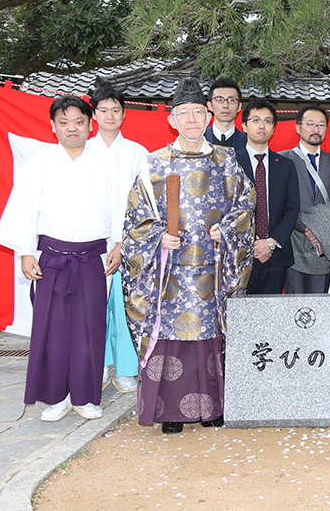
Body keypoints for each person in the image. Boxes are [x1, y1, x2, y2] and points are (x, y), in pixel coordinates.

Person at [122, 78, 254, 434]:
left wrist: (225, 231)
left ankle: (212, 407)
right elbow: (135, 218)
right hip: (169, 271)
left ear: (208, 116)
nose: (192, 119)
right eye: (184, 113)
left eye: (198, 112)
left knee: (209, 337)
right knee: (171, 337)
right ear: (172, 119)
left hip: (213, 267)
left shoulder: (226, 161)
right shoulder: (154, 165)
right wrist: (156, 237)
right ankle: (170, 412)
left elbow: (246, 206)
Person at [0, 96, 118, 421]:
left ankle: (85, 396)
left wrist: (119, 244)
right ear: (53, 126)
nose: (72, 128)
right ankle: (56, 398)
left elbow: (121, 210)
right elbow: (23, 209)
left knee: (90, 329)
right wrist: (24, 251)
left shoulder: (105, 164)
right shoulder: (39, 164)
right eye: (64, 122)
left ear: (90, 124)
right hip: (51, 259)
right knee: (53, 329)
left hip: (93, 258)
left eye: (78, 121)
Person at [87, 85, 149, 394]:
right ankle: (97, 366)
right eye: (103, 110)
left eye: (115, 110)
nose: (110, 116)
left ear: (124, 114)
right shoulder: (83, 153)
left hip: (130, 244)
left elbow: (146, 203)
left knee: (127, 308)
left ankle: (126, 368)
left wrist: (123, 243)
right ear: (93, 114)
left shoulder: (138, 153)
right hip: (91, 245)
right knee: (93, 309)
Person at [280, 105, 330, 294]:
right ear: (298, 127)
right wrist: (305, 229)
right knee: (295, 305)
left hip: (322, 245)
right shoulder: (283, 159)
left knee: (319, 304)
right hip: (293, 241)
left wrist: (320, 232)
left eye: (321, 125)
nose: (316, 129)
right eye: (310, 124)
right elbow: (281, 204)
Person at [235, 99, 300, 295]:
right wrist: (252, 243)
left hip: (276, 255)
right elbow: (225, 209)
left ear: (273, 128)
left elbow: (292, 209)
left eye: (268, 121)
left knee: (272, 317)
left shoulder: (286, 165)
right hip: (240, 254)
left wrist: (270, 242)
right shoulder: (230, 162)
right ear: (244, 125)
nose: (262, 125)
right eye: (255, 120)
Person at [204, 77, 246, 151]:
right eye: (219, 100)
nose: (225, 105)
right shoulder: (200, 139)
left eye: (231, 100)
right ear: (210, 105)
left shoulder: (248, 142)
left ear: (239, 106)